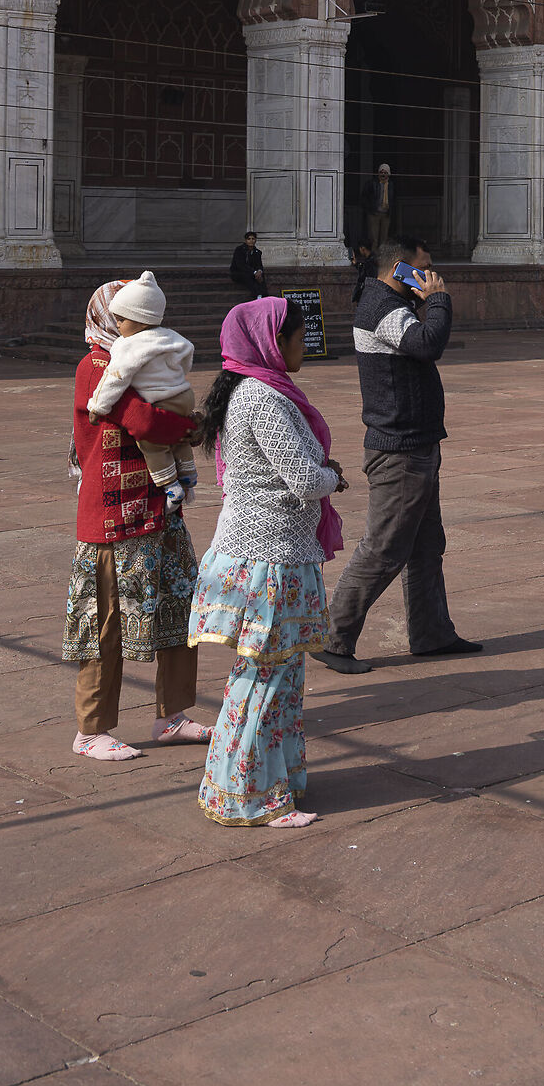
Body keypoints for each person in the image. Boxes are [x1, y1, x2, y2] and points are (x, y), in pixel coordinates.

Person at [189, 296, 345, 828]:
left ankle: (264, 783)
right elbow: (304, 480)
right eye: (298, 337)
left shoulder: (254, 391)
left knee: (274, 675)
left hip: (269, 554)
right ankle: (250, 794)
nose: (306, 345)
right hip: (270, 560)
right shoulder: (262, 399)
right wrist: (334, 478)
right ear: (270, 343)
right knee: (265, 678)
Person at [315, 241, 480, 673]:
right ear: (400, 269)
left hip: (417, 442)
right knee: (384, 549)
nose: (430, 276)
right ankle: (333, 638)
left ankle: (432, 634)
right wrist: (439, 301)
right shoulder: (382, 306)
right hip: (399, 448)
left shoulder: (388, 302)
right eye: (423, 269)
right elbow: (428, 345)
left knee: (427, 547)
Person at [65, 281, 210, 763]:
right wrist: (191, 426)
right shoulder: (97, 366)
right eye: (129, 318)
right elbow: (146, 422)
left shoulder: (143, 359)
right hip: (111, 516)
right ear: (110, 318)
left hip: (158, 508)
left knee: (177, 608)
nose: (139, 327)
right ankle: (91, 730)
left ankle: (172, 716)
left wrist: (184, 422)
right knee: (104, 621)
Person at [86, 271, 197, 508]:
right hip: (183, 394)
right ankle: (188, 473)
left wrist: (97, 406)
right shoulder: (170, 336)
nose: (116, 324)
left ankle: (170, 484)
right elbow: (187, 355)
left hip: (132, 487)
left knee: (152, 445)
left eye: (121, 318)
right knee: (180, 442)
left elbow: (116, 381)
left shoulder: (119, 350)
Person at [364, 163, 396, 254]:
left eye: (385, 172)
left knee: (384, 238)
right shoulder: (372, 183)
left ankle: (382, 256)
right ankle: (374, 256)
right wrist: (370, 209)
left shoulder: (391, 185)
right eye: (381, 172)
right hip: (374, 214)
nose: (383, 174)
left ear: (388, 174)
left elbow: (393, 199)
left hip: (386, 214)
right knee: (374, 237)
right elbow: (365, 197)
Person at [230, 232, 266, 301]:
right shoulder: (239, 250)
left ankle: (263, 296)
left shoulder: (257, 252)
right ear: (246, 240)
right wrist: (254, 272)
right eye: (249, 239)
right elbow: (240, 265)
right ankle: (257, 295)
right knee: (249, 276)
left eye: (253, 239)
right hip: (238, 273)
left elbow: (259, 265)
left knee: (261, 276)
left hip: (252, 272)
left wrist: (259, 271)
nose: (251, 241)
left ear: (255, 240)